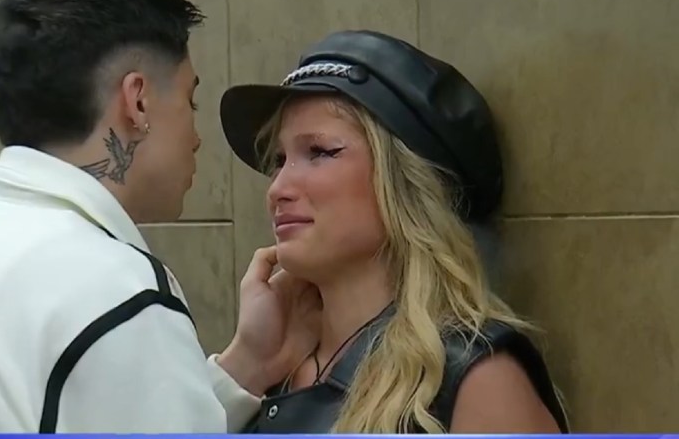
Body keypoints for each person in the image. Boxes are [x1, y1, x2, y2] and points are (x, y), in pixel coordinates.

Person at [0, 0, 319, 433]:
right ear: (137, 100)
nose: (196, 138)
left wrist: (248, 364)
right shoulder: (118, 289)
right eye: (189, 100)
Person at [218, 30, 570, 434]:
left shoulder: (475, 380)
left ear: (402, 183)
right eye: (279, 160)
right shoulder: (267, 371)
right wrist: (245, 364)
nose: (277, 188)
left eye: (320, 152)